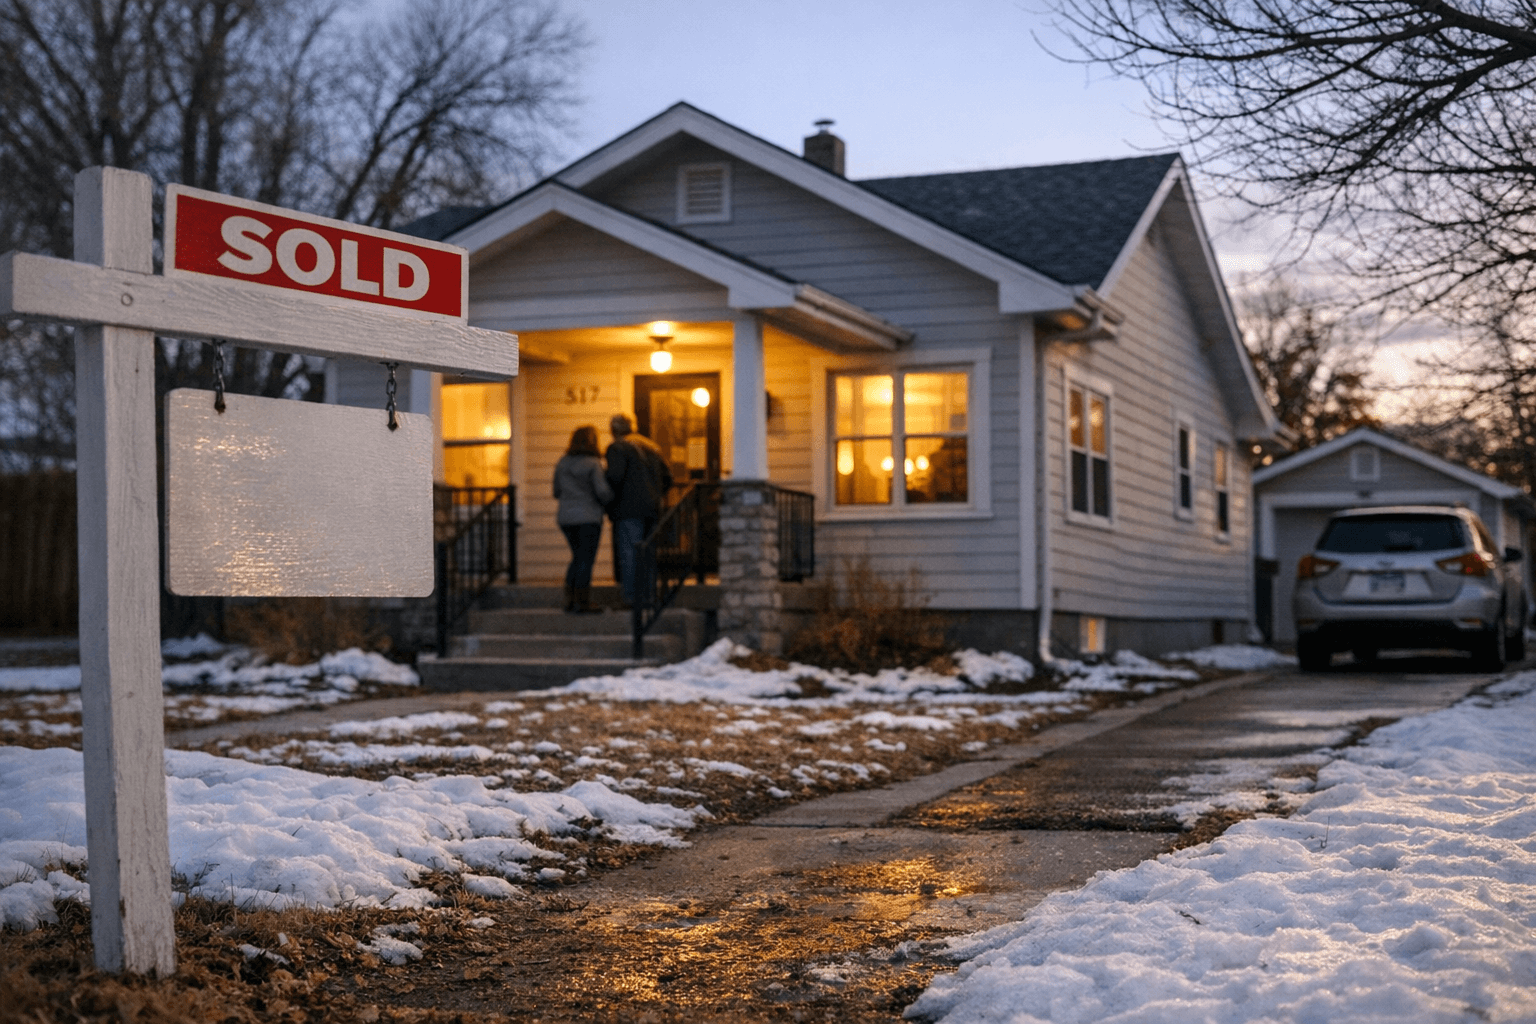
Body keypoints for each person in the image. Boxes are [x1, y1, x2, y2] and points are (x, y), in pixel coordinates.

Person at [605, 413, 672, 608]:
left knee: (630, 553)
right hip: (652, 508)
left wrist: (607, 499)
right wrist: (655, 494)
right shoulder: (651, 447)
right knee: (648, 554)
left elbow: (615, 478)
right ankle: (649, 595)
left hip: (628, 509)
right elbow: (668, 478)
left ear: (613, 430)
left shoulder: (617, 447)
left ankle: (632, 598)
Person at [552, 425, 612, 613]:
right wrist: (613, 497)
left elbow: (556, 491)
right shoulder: (593, 463)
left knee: (577, 557)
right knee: (585, 559)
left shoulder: (562, 463)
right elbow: (602, 491)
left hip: (566, 518)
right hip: (588, 517)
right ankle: (582, 602)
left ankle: (569, 600)